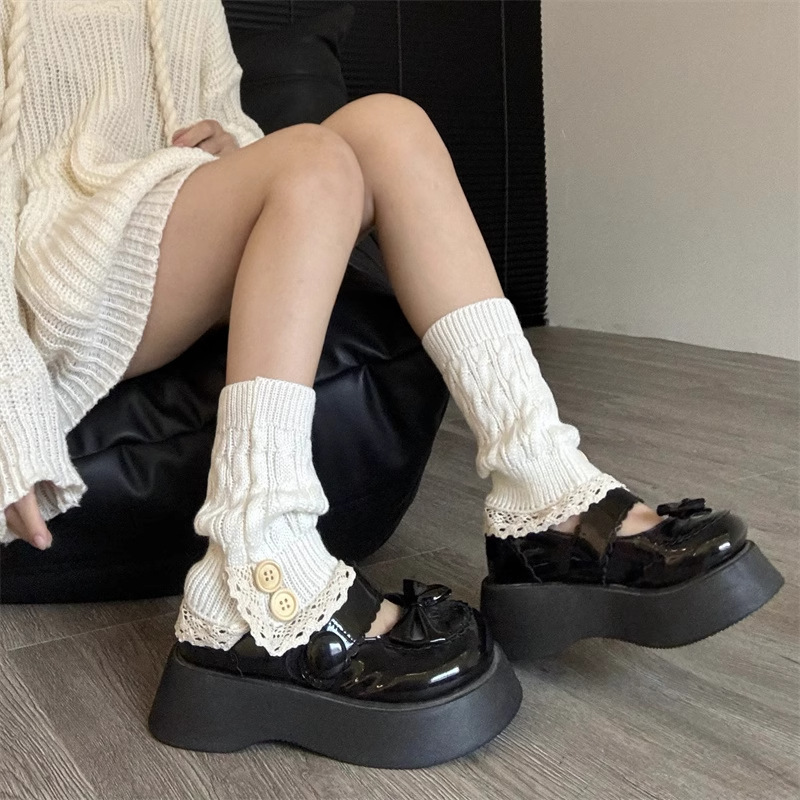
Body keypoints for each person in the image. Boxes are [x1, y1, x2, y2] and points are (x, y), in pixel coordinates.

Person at [0, 0, 782, 770]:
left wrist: (233, 147)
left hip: (164, 216)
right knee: (311, 162)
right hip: (48, 257)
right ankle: (255, 571)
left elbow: (222, 126)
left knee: (387, 124)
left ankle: (541, 487)